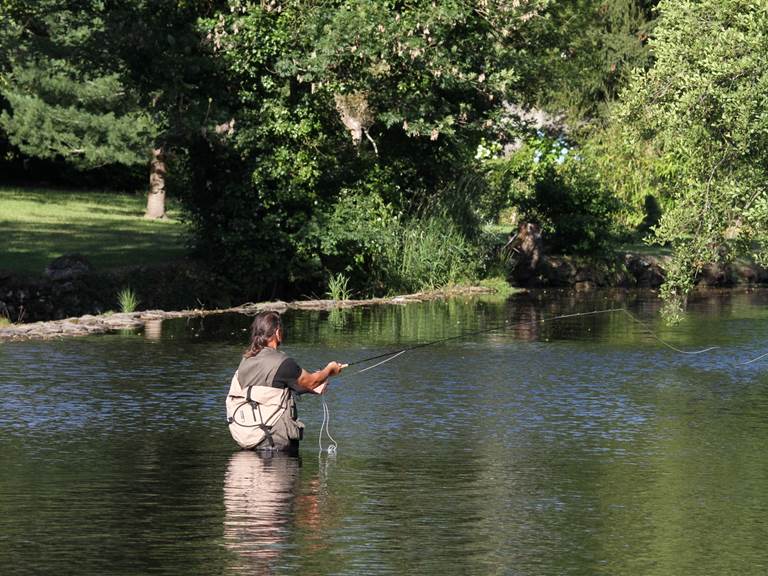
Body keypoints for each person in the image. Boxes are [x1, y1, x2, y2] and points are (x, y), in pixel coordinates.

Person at [226, 311, 346, 452]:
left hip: (248, 437)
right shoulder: (283, 362)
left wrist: (311, 389)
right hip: (274, 441)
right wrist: (330, 369)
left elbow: (271, 389)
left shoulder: (246, 360)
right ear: (277, 332)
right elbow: (312, 381)